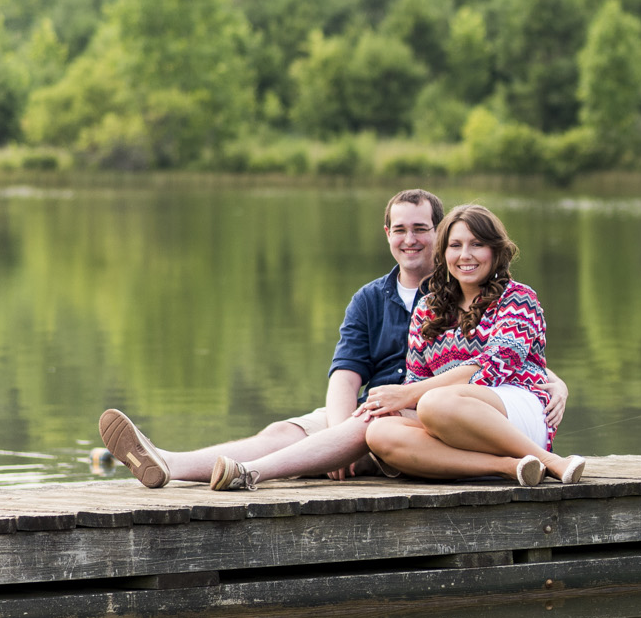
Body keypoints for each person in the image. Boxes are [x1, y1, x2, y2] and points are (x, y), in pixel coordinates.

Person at [96, 190, 567, 490]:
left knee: (369, 425)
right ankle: (171, 463)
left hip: (419, 410)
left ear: (437, 235)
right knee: (284, 431)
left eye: (422, 230)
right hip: (378, 409)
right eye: (400, 230)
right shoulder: (376, 300)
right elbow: (345, 377)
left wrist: (554, 381)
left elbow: (504, 360)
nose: (411, 240)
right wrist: (342, 429)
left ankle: (243, 474)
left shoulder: (487, 291)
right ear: (387, 236)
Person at [359, 203, 588, 486]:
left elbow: (492, 367)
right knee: (381, 433)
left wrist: (410, 396)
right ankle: (509, 466)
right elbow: (416, 381)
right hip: (449, 419)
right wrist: (397, 405)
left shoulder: (518, 298)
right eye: (455, 245)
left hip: (515, 406)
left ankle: (550, 460)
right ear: (443, 253)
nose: (465, 255)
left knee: (434, 402)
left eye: (477, 244)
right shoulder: (427, 310)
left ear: (495, 250)